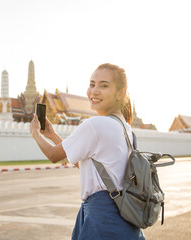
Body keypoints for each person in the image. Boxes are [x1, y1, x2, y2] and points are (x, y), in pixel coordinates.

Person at [30, 63, 145, 239]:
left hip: (102, 218)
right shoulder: (125, 129)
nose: (94, 91)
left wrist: (35, 133)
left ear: (121, 93)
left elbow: (53, 155)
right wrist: (53, 136)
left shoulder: (96, 124)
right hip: (124, 218)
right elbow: (86, 164)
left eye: (104, 85)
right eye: (92, 84)